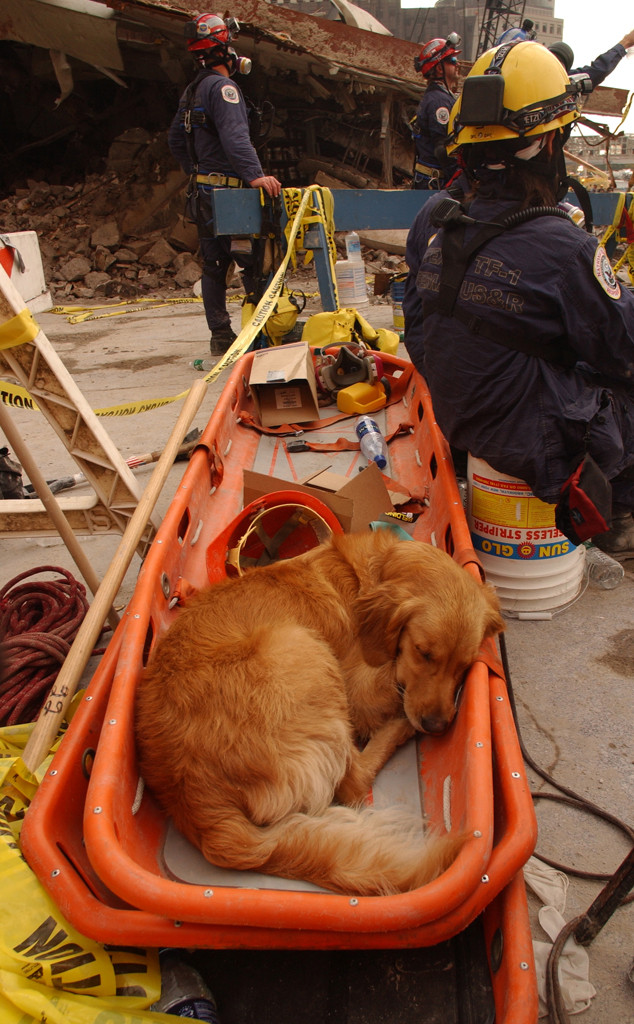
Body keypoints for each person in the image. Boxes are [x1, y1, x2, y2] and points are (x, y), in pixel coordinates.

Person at [403, 41, 634, 557]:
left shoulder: (434, 218)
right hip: (534, 446)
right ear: (550, 146)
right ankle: (617, 514)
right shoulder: (561, 245)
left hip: (457, 417)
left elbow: (418, 331)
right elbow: (624, 347)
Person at [168, 13, 282, 356]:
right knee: (253, 261)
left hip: (203, 193)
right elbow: (236, 138)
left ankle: (221, 334)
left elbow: (175, 139)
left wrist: (197, 172)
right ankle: (260, 333)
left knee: (215, 265)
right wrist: (255, 176)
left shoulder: (192, 91)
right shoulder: (224, 88)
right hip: (231, 195)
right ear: (223, 49)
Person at [411, 33, 462, 190]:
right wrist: (460, 180)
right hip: (434, 183)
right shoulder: (438, 101)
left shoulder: (440, 96)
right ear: (439, 68)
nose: (457, 64)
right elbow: (442, 149)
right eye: (452, 60)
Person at [549, 29, 634, 90]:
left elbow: (597, 71)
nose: (555, 65)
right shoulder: (539, 74)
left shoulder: (567, 80)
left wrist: (624, 43)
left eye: (560, 62)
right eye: (552, 59)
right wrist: (625, 42)